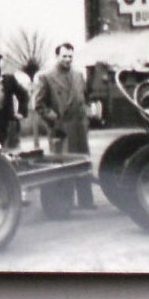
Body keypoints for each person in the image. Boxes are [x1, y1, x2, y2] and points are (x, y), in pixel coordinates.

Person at [34, 42, 96, 209]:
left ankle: (86, 201)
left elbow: (85, 98)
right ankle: (65, 202)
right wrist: (55, 120)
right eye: (64, 56)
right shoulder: (46, 77)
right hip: (61, 129)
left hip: (79, 127)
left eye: (70, 56)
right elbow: (39, 105)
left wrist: (87, 116)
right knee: (64, 166)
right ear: (57, 56)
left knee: (83, 163)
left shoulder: (78, 75)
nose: (68, 59)